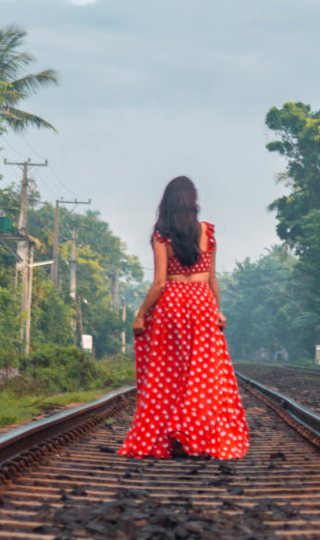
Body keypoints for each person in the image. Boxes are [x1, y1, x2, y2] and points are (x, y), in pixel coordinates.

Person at [118, 175, 249, 459]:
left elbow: (160, 283)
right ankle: (197, 435)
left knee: (168, 374)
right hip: (201, 303)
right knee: (203, 375)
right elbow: (213, 278)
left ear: (167, 203)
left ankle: (173, 436)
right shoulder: (208, 232)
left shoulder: (162, 234)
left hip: (172, 306)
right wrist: (216, 309)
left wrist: (141, 315)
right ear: (193, 203)